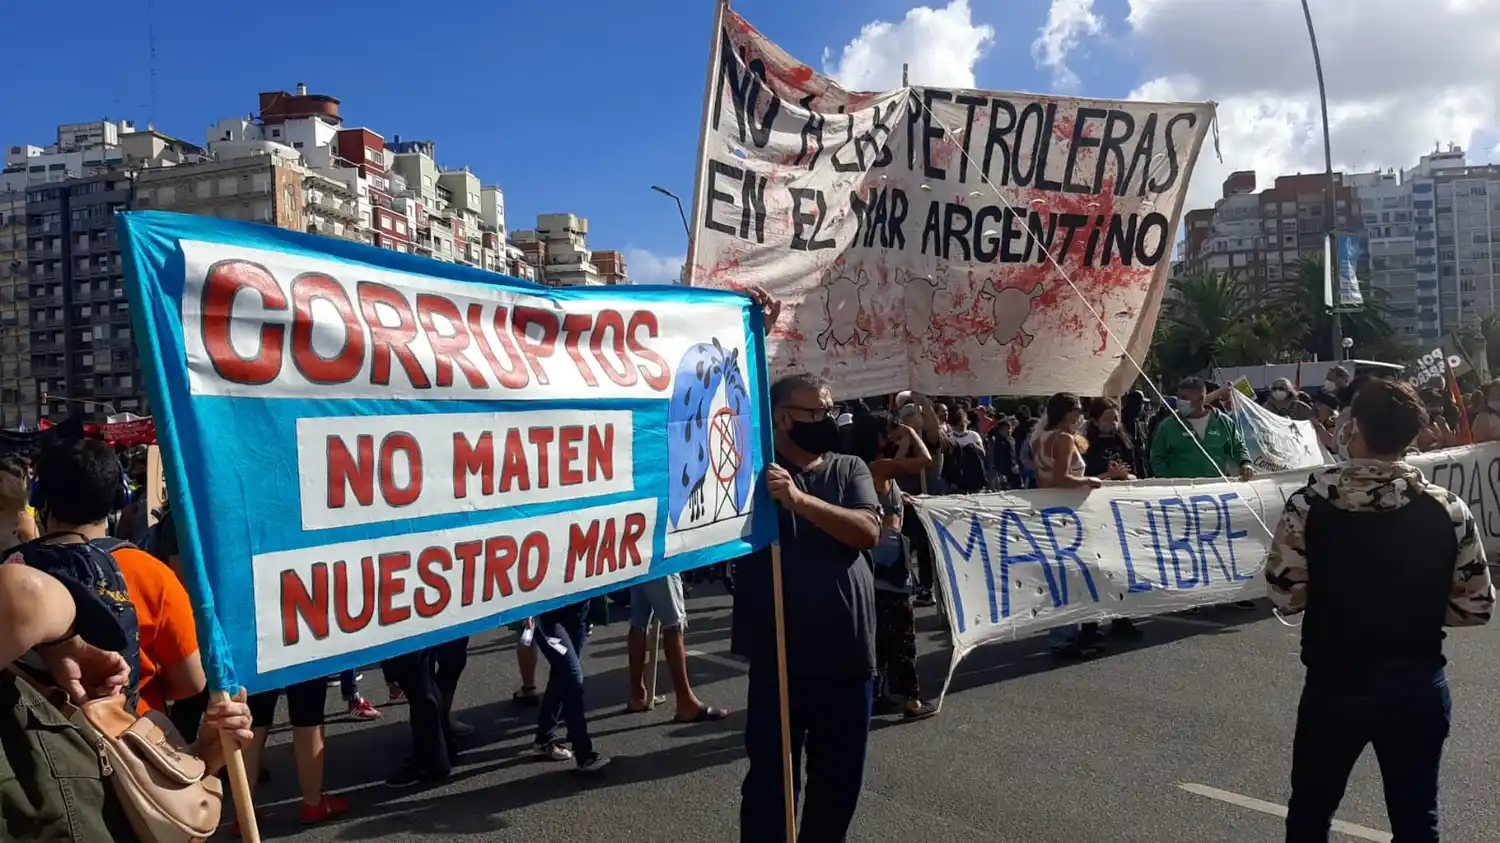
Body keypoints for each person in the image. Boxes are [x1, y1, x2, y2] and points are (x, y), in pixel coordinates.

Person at [1266, 378, 1494, 842]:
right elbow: (1476, 606)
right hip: (1417, 684)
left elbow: (1286, 596)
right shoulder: (1447, 509)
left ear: (1355, 430)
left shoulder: (1308, 504)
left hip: (1335, 684)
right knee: (1416, 821)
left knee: (1310, 814)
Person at [0, 560, 255, 843]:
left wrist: (199, 759)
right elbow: (25, 592)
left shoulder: (41, 702)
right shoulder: (149, 569)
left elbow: (128, 801)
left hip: (144, 756)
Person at [738, 372, 882, 843]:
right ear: (783, 418)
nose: (829, 418)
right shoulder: (752, 471)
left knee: (838, 786)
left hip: (848, 657)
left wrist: (800, 501)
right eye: (817, 411)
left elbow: (866, 532)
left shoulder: (849, 468)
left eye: (830, 408)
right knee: (771, 787)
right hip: (781, 659)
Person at [24, 441, 205, 717]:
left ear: (38, 499)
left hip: (37, 741)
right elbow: (192, 681)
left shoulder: (18, 575)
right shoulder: (151, 573)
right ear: (120, 497)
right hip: (129, 737)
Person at [846, 412, 938, 721]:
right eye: (891, 433)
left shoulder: (862, 468)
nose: (896, 438)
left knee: (881, 634)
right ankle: (911, 700)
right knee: (902, 632)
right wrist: (912, 430)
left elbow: (890, 493)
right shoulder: (879, 468)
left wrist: (902, 500)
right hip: (890, 558)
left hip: (874, 559)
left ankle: (882, 692)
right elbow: (924, 459)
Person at [1029, 393, 1116, 657]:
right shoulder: (1063, 439)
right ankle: (1065, 637)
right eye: (1077, 410)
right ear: (1067, 412)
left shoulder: (1039, 437)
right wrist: (1088, 481)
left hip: (1049, 508)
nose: (1080, 414)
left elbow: (1043, 477)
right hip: (1067, 510)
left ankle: (1066, 633)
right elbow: (1061, 478)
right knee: (1073, 573)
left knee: (1062, 574)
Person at [624, 573, 728, 722]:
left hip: (641, 558)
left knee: (639, 622)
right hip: (661, 560)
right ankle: (686, 702)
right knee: (674, 624)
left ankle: (637, 694)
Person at [531, 597, 609, 771]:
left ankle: (544, 739)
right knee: (573, 677)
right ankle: (583, 752)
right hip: (546, 616)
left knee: (562, 676)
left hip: (579, 613)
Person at [1150, 377, 1255, 482]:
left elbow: (1239, 447)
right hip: (1181, 492)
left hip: (1216, 489)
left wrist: (1245, 464)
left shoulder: (1224, 422)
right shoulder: (1168, 426)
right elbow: (1157, 458)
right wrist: (1169, 482)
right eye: (1179, 397)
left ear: (1201, 399)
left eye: (1185, 398)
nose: (1180, 402)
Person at [1082, 397, 1137, 481]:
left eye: (1115, 418)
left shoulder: (1123, 442)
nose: (1113, 423)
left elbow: (1135, 475)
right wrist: (1108, 475)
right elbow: (1082, 479)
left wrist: (1125, 475)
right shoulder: (1085, 446)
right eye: (1107, 419)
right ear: (1095, 421)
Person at [987, 416, 1019, 490]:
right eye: (1006, 429)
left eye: (1010, 429)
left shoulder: (1010, 440)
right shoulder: (995, 442)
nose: (1009, 431)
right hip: (1000, 473)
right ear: (1000, 430)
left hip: (1012, 471)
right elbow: (992, 458)